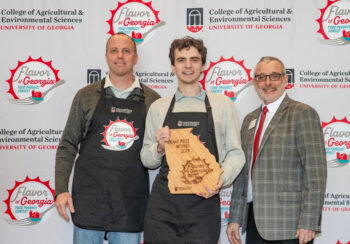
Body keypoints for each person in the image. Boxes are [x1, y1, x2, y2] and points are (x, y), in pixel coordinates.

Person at [55, 32, 160, 244]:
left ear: (136, 57)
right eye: (114, 51)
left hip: (130, 204)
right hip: (88, 202)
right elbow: (67, 146)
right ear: (106, 56)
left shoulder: (152, 101)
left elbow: (158, 154)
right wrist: (61, 190)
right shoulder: (86, 96)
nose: (120, 56)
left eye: (126, 51)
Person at [140, 36, 245, 244]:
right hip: (163, 209)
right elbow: (146, 159)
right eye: (181, 60)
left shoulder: (222, 105)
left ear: (203, 65)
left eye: (194, 60)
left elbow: (235, 153)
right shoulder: (159, 108)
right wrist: (159, 148)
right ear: (172, 66)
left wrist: (220, 180)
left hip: (203, 207)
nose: (188, 66)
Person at [226, 56, 327, 244]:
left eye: (274, 76)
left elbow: (316, 173)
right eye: (261, 77)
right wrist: (235, 218)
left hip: (291, 227)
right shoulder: (249, 120)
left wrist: (309, 222)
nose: (267, 82)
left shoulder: (302, 113)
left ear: (285, 80)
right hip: (254, 222)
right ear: (255, 83)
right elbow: (242, 176)